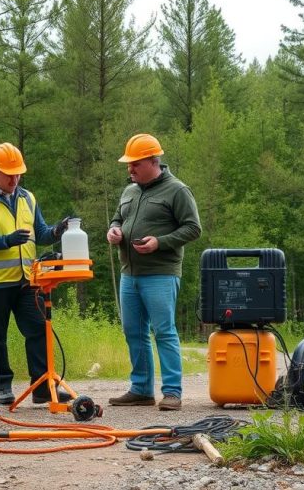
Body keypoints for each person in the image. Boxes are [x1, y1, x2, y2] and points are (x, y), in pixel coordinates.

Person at [0, 142, 70, 405]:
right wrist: (6, 240)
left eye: (18, 173)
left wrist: (57, 231)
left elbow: (41, 234)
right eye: (8, 173)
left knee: (37, 330)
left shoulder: (28, 198)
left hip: (27, 280)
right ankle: (1, 385)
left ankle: (42, 386)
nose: (14, 178)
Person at [106, 133, 201, 411]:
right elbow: (117, 218)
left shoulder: (177, 190)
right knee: (133, 331)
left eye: (135, 164)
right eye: (128, 164)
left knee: (164, 331)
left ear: (153, 160)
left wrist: (161, 242)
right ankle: (141, 389)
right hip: (129, 273)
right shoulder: (130, 190)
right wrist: (114, 231)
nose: (130, 169)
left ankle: (172, 392)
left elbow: (193, 228)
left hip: (161, 273)